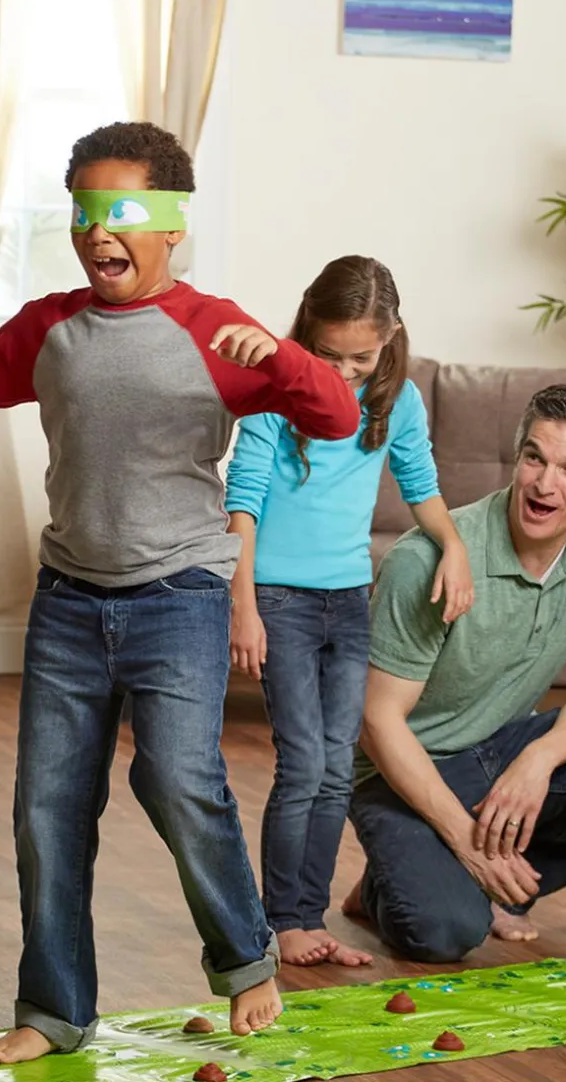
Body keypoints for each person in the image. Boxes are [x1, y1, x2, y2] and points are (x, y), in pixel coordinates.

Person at [0, 121, 361, 1063]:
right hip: (68, 601)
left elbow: (334, 416)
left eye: (123, 211)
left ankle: (246, 959)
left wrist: (280, 358)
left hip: (182, 594)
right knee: (47, 807)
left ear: (172, 225)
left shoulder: (215, 330)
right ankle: (54, 1008)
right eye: (85, 212)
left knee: (177, 777)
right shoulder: (50, 329)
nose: (100, 231)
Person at [341, 384, 566, 961]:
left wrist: (538, 759)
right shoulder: (425, 560)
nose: (545, 484)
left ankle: (448, 877)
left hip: (500, 747)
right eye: (534, 458)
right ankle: (398, 881)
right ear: (518, 458)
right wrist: (466, 845)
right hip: (402, 769)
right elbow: (376, 722)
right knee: (444, 934)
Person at [224, 255, 474, 969]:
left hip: (348, 599)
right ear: (307, 330)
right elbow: (243, 501)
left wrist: (454, 546)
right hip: (280, 599)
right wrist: (243, 607)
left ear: (389, 336)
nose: (342, 372)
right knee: (304, 762)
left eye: (359, 358)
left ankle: (309, 914)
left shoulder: (398, 400)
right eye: (327, 355)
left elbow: (420, 485)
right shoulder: (276, 390)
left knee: (337, 768)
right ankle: (286, 919)